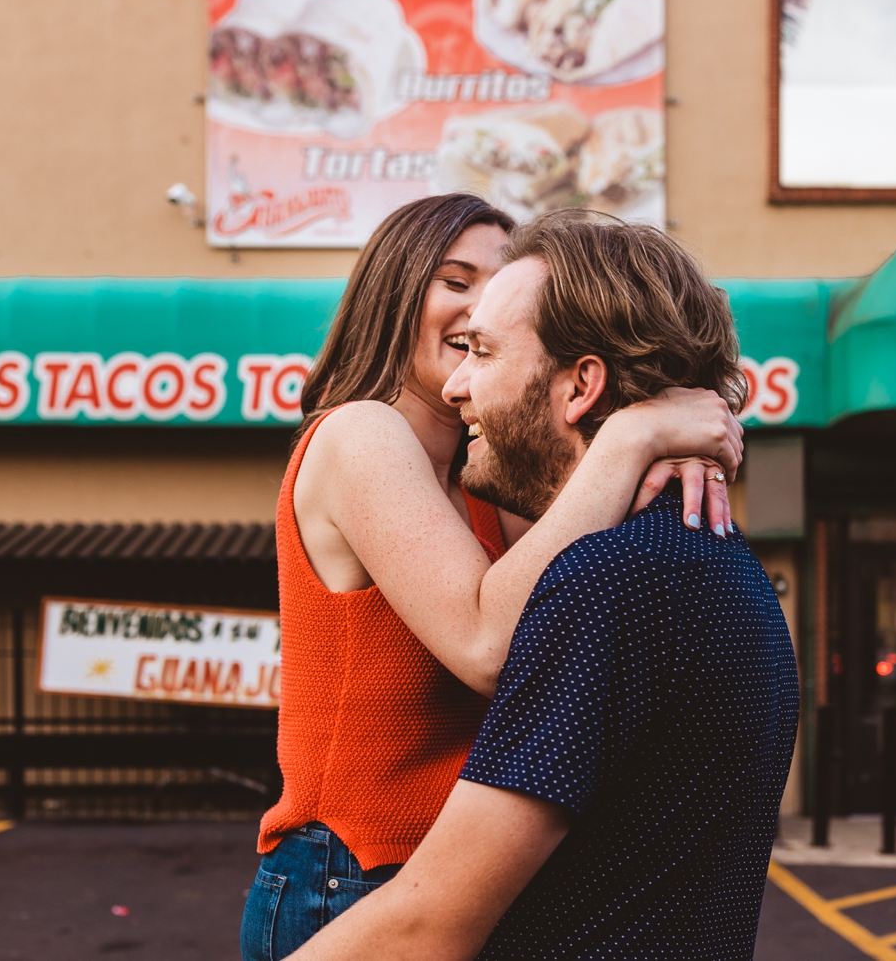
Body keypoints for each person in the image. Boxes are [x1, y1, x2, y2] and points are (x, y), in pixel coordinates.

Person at [283, 210, 801, 961]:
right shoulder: (364, 434)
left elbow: (432, 921)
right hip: (356, 873)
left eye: (487, 342)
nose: (463, 374)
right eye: (455, 282)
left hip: (427, 896)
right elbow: (502, 633)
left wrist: (651, 442)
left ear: (580, 382)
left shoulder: (613, 567)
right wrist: (635, 435)